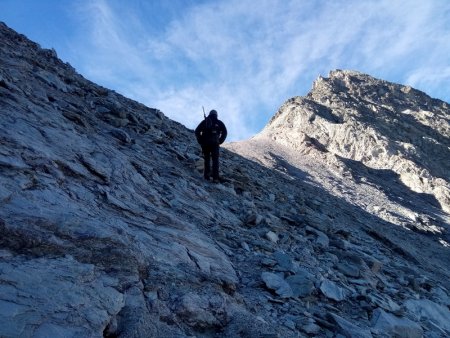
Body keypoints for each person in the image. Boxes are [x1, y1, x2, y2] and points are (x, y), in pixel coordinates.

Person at [195, 109, 227, 183]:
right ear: (216, 115)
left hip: (205, 144)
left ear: (210, 114)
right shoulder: (219, 122)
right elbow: (225, 132)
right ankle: (215, 178)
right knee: (215, 160)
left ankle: (207, 176)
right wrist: (220, 141)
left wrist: (200, 141)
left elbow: (197, 131)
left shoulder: (205, 121)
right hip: (215, 144)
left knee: (207, 159)